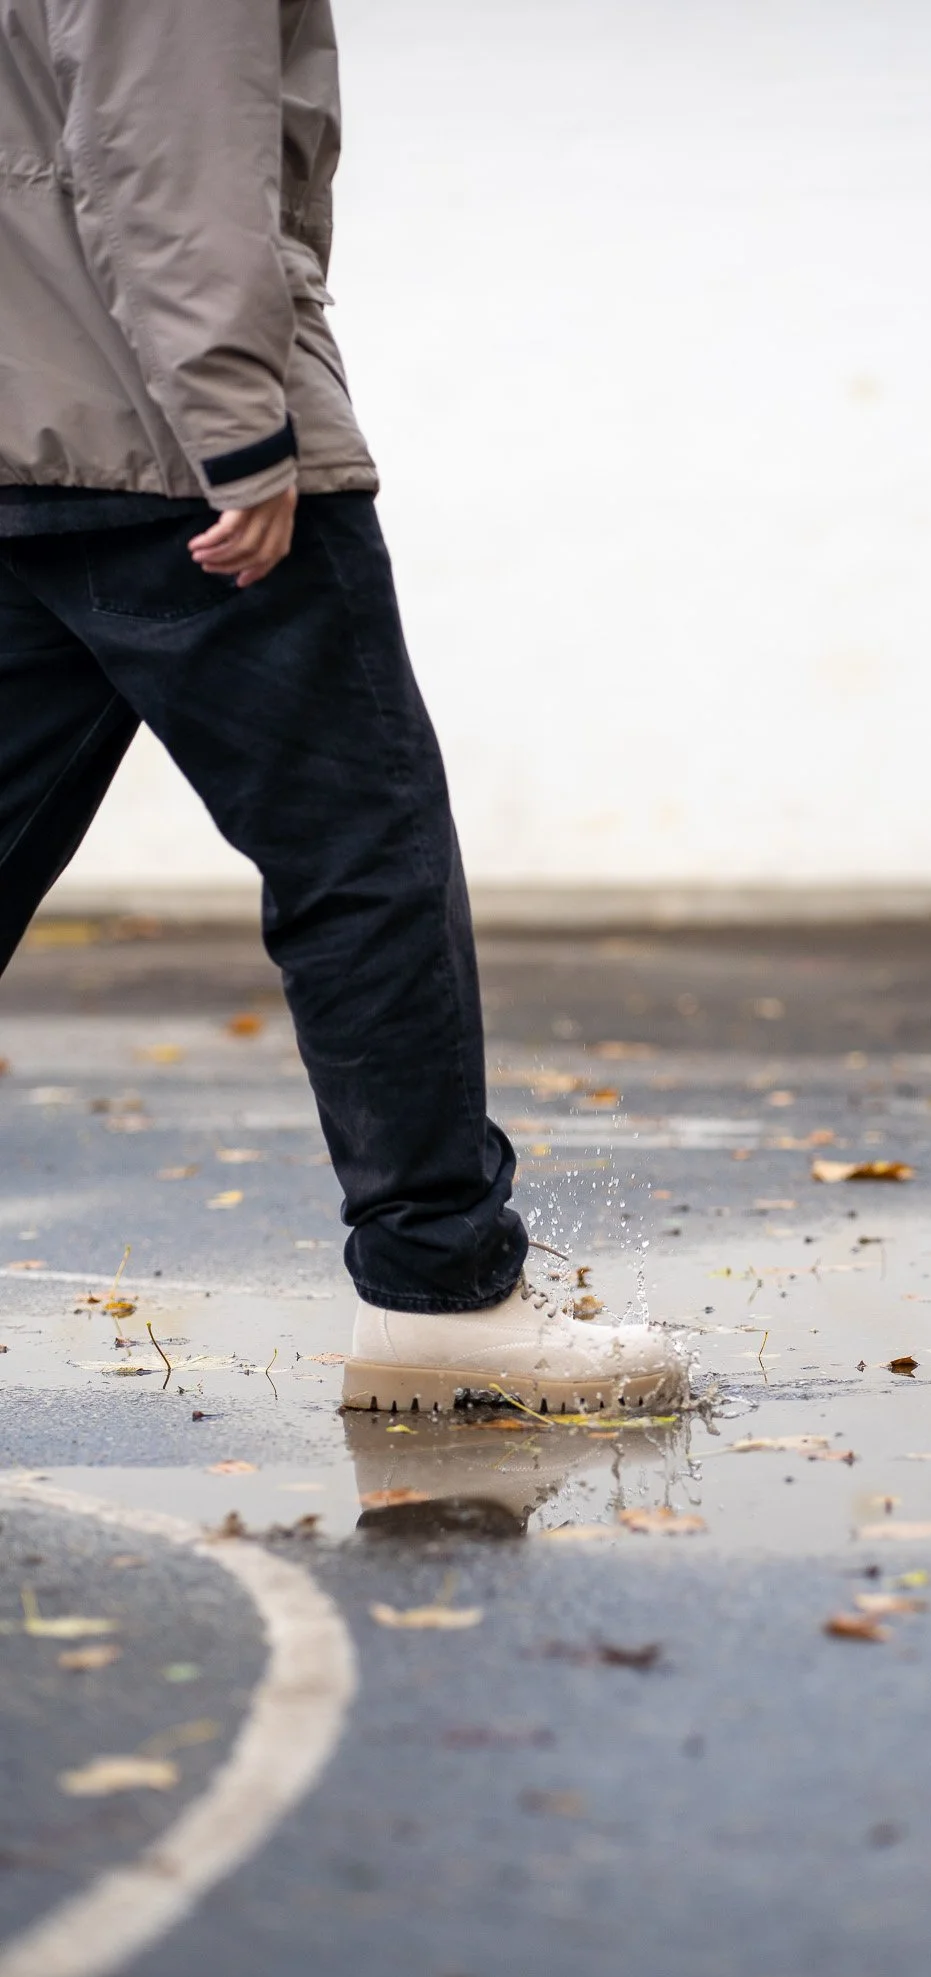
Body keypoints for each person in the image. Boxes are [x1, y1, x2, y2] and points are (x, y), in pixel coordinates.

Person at [0, 0, 682, 1416]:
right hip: (165, 450)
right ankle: (444, 1300)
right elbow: (164, 146)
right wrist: (241, 427)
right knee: (360, 856)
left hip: (20, 429)